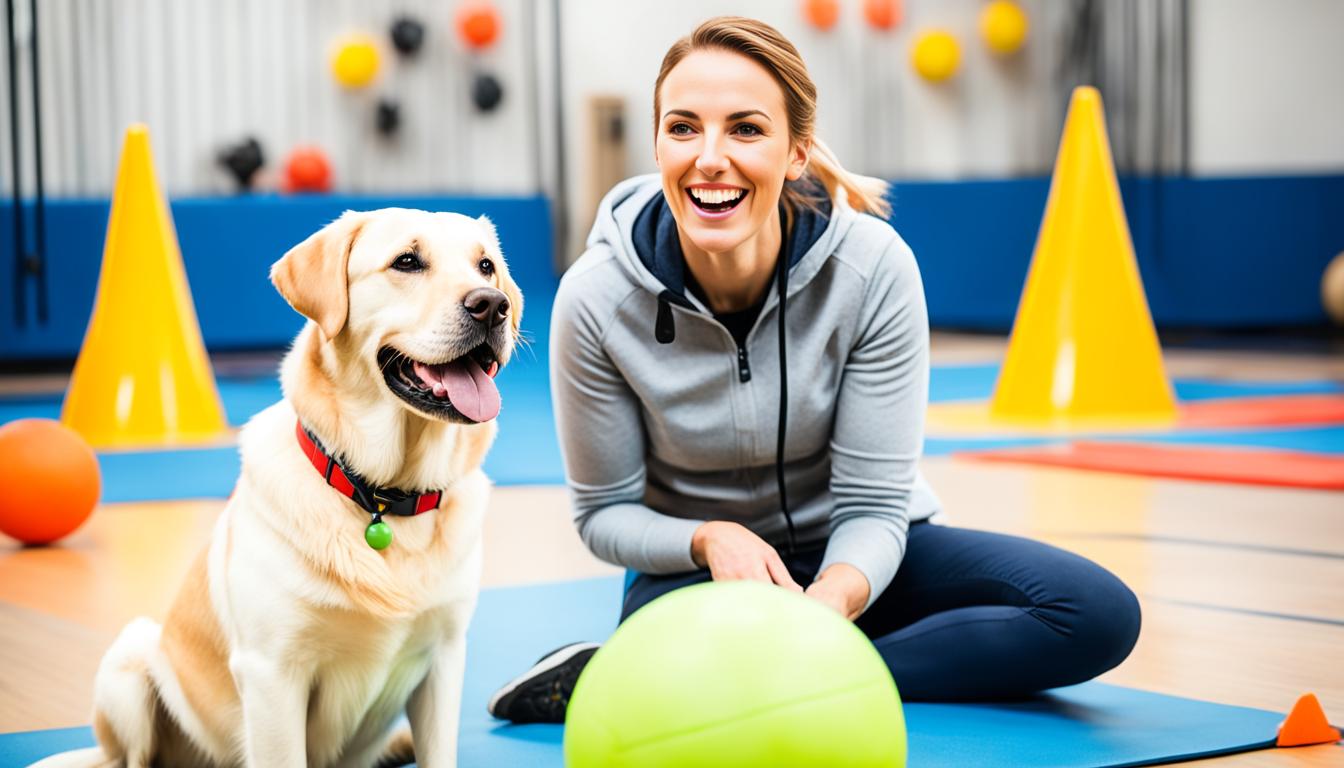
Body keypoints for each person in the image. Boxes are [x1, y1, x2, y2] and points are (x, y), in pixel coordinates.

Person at [488, 16, 1140, 724]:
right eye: (682, 128)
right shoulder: (597, 298)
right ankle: (673, 670)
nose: (709, 158)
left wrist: (834, 601)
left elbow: (874, 505)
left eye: (745, 129)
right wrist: (709, 538)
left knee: (1094, 613)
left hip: (863, 555)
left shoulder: (874, 268)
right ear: (657, 142)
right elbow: (604, 515)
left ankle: (762, 676)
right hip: (699, 574)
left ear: (797, 151)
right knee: (717, 621)